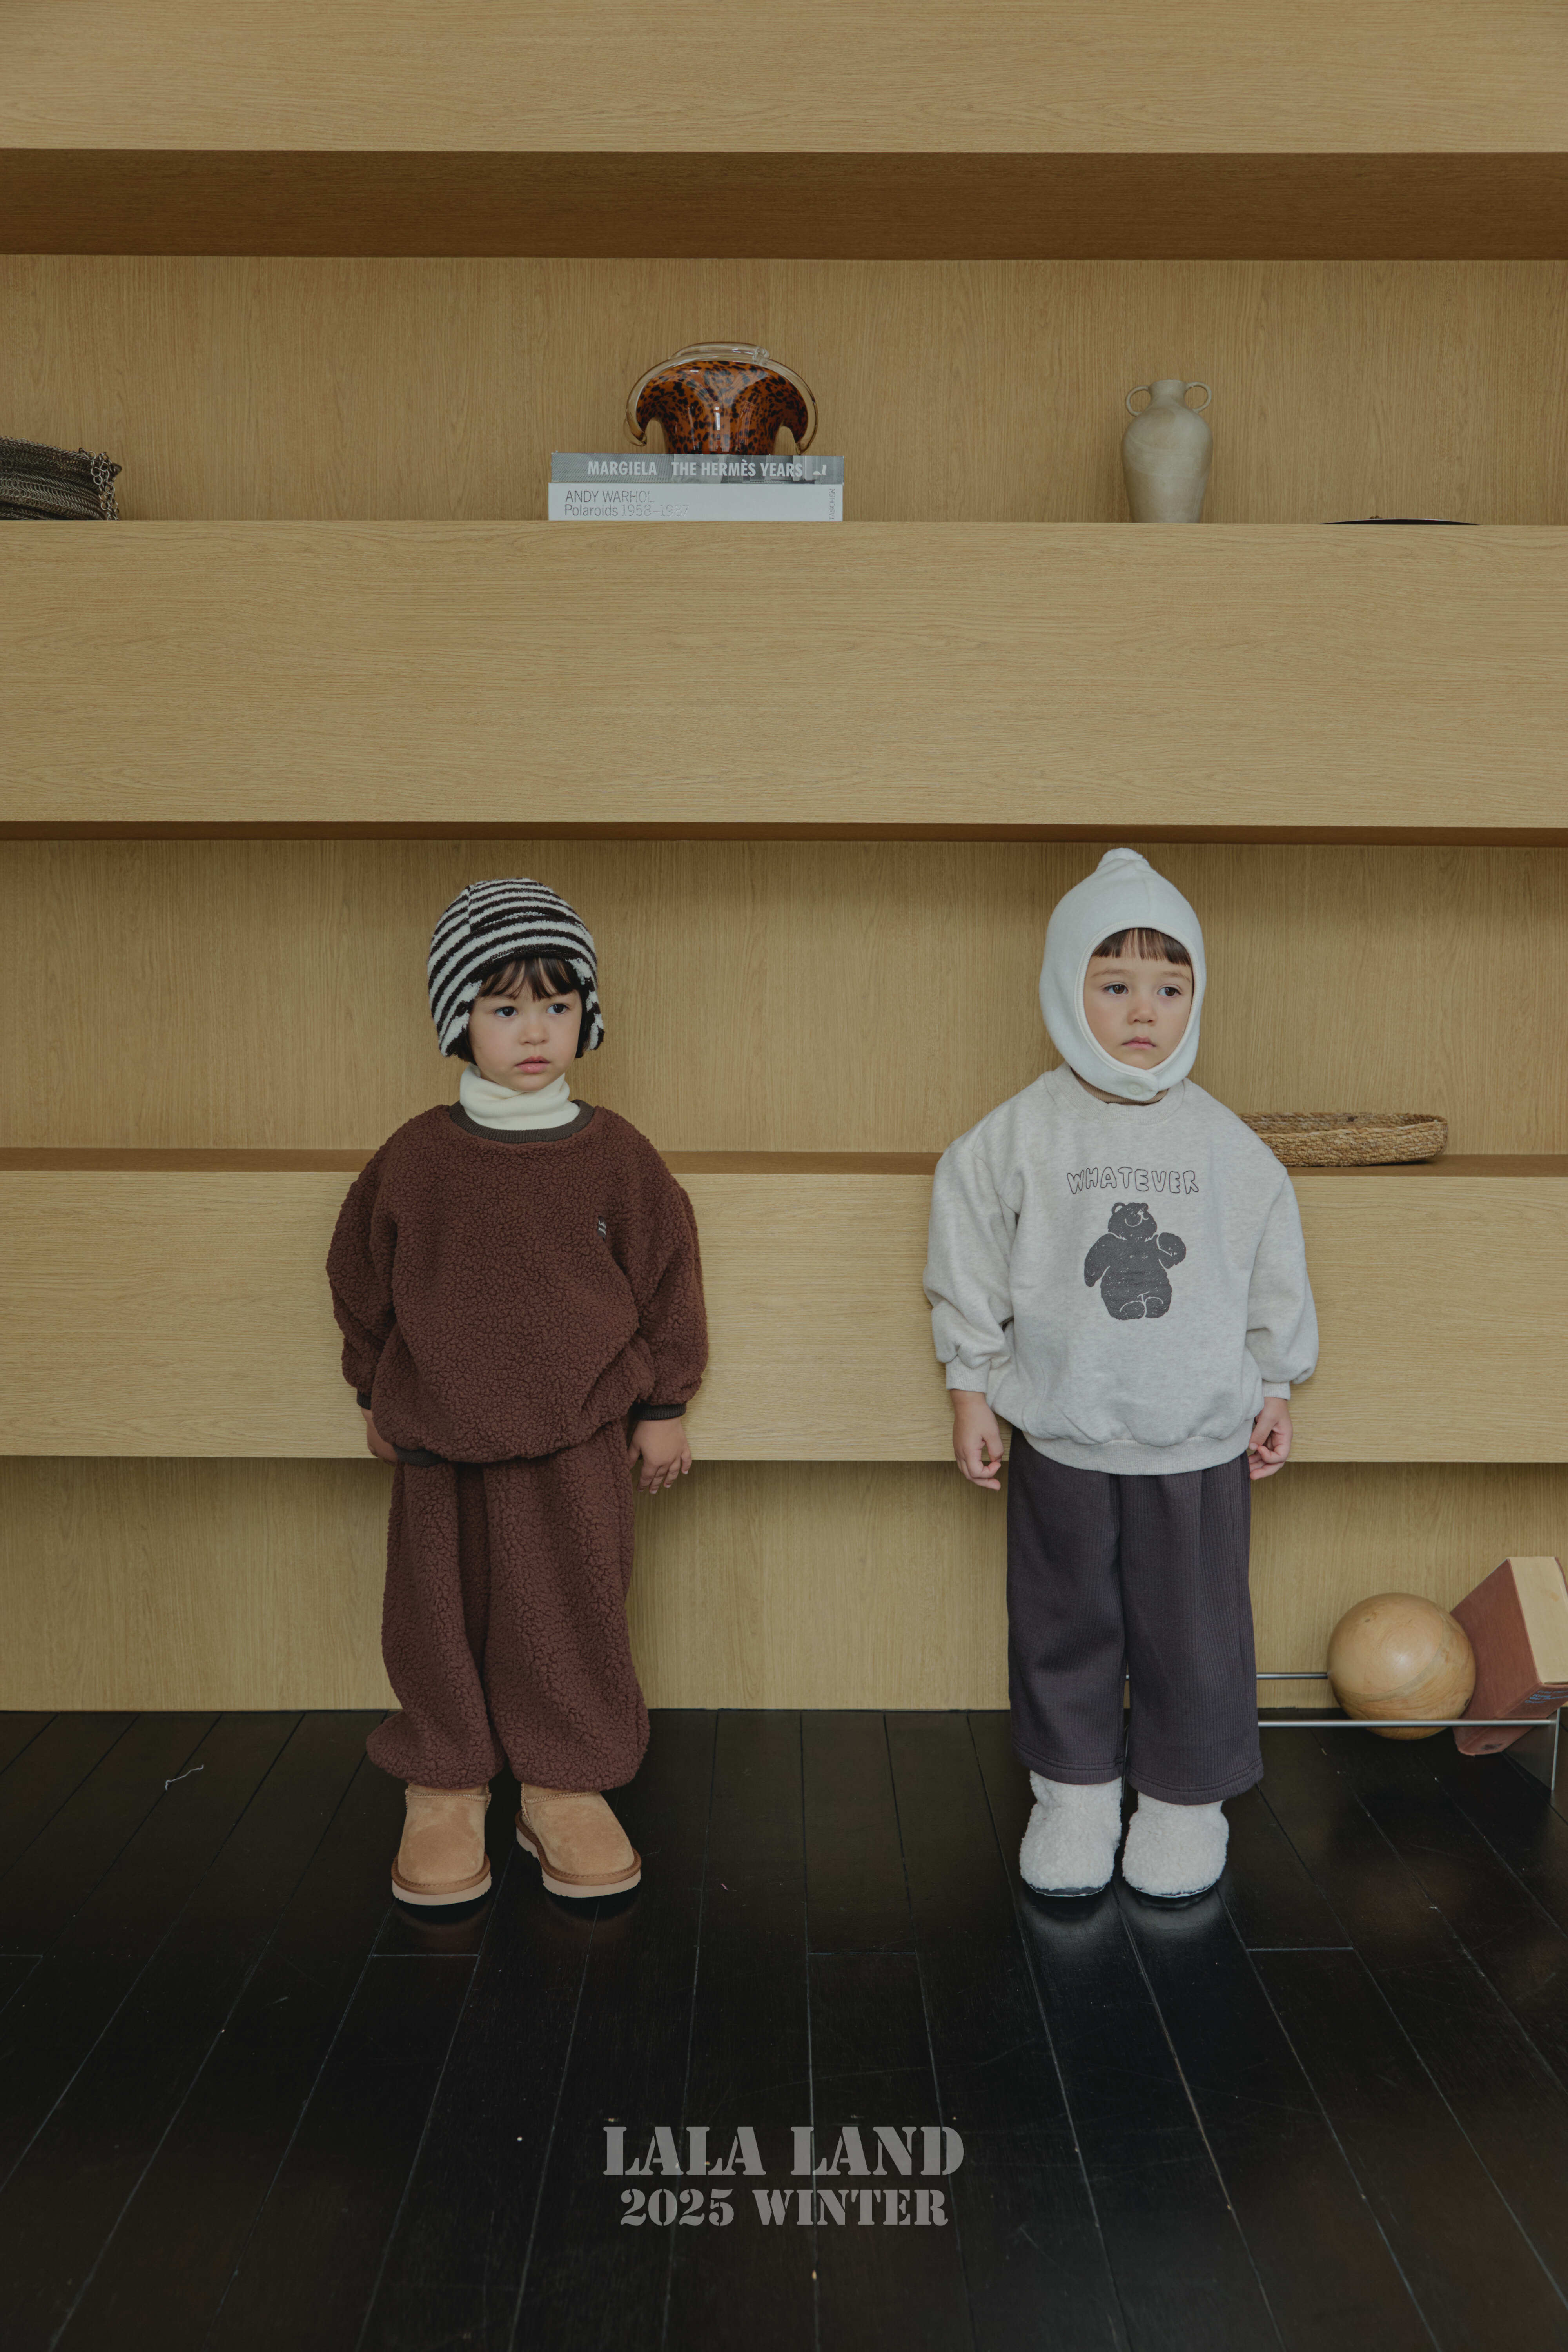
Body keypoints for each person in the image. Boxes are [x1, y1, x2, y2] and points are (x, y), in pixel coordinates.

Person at [923, 849, 1317, 1900]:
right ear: (1066, 990)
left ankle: (1186, 1806)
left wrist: (1276, 1384)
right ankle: (1075, 1796)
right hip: (1062, 1435)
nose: (1144, 1010)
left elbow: (1272, 1273)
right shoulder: (1021, 1133)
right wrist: (971, 1384)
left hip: (1197, 1444)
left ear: (1197, 998)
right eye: (1114, 984)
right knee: (1064, 1627)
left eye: (1169, 987)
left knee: (1195, 1636)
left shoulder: (1229, 1147)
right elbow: (967, 1254)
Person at [327, 878, 707, 1907]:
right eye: (504, 1008)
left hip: (578, 1436)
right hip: (438, 1437)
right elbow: (360, 1277)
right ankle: (445, 1778)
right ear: (460, 1021)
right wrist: (372, 1390)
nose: (534, 1031)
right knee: (432, 1609)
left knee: (570, 1605)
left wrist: (665, 1406)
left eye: (556, 1005)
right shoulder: (415, 1159)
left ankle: (564, 1780)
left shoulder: (618, 1157)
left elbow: (669, 1280)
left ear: (587, 1015)